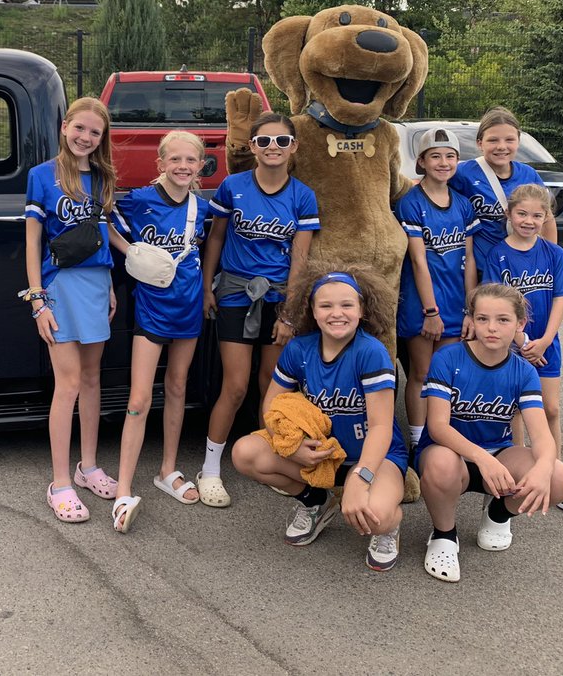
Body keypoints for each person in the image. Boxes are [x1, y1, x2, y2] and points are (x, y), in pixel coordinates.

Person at [230, 264, 408, 571]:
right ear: (311, 311)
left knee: (375, 516)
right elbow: (271, 405)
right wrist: (292, 447)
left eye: (346, 305)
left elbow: (381, 427)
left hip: (374, 457)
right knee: (245, 453)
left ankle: (390, 528)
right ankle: (316, 501)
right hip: (323, 455)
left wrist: (361, 478)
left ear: (362, 310)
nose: (336, 313)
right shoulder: (299, 349)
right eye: (325, 305)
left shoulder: (372, 352)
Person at [197, 112, 319, 508]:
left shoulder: (302, 195)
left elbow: (301, 260)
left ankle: (271, 460)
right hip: (235, 293)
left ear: (294, 147)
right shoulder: (233, 186)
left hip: (279, 299)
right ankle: (211, 469)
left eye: (282, 141)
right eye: (264, 141)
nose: (273, 148)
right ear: (251, 147)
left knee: (273, 384)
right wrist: (206, 286)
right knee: (235, 386)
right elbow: (215, 238)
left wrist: (290, 313)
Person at [416, 283, 563, 583]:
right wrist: (481, 458)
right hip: (451, 453)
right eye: (483, 318)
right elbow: (437, 426)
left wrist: (541, 469)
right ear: (472, 321)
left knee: (558, 477)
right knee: (441, 465)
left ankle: (498, 515)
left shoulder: (523, 371)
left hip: (497, 454)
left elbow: (541, 436)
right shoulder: (448, 358)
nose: (492, 328)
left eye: (503, 320)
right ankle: (444, 535)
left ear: (520, 324)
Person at [107, 131, 211, 532]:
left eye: (191, 160)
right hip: (150, 311)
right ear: (161, 163)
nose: (183, 167)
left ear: (200, 166)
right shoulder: (138, 200)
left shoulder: (201, 209)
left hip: (188, 308)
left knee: (179, 387)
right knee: (138, 398)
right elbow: (103, 216)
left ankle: (167, 470)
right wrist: (128, 249)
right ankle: (123, 489)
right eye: (176, 160)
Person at [24, 97, 119, 524]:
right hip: (59, 287)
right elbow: (32, 242)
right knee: (68, 384)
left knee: (93, 379)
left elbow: (101, 233)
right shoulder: (42, 176)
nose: (85, 137)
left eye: (94, 132)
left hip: (97, 284)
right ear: (64, 127)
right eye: (79, 128)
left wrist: (112, 283)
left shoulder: (102, 178)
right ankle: (59, 482)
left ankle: (88, 467)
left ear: (102, 139)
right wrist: (37, 299)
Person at [481, 182, 563, 514]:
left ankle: (552, 472)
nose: (528, 220)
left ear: (546, 217)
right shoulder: (498, 254)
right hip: (513, 347)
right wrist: (522, 343)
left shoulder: (552, 253)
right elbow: (495, 305)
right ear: (509, 214)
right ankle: (520, 475)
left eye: (537, 215)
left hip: (546, 344)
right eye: (521, 213)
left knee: (550, 409)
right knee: (516, 412)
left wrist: (545, 341)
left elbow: (559, 300)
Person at [396, 128, 480, 450]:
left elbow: (470, 258)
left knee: (444, 377)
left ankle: (439, 436)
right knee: (421, 372)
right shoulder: (411, 203)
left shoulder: (462, 204)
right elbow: (418, 262)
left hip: (456, 302)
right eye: (435, 156)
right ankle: (418, 442)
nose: (443, 162)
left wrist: (471, 308)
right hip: (422, 304)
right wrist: (430, 312)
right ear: (421, 161)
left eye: (450, 156)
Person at [449, 106, 557, 268]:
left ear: (518, 142)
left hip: (518, 267)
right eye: (493, 140)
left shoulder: (528, 175)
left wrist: (550, 260)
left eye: (509, 140)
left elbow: (547, 218)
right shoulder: (463, 173)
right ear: (480, 143)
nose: (501, 146)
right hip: (481, 268)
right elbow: (430, 188)